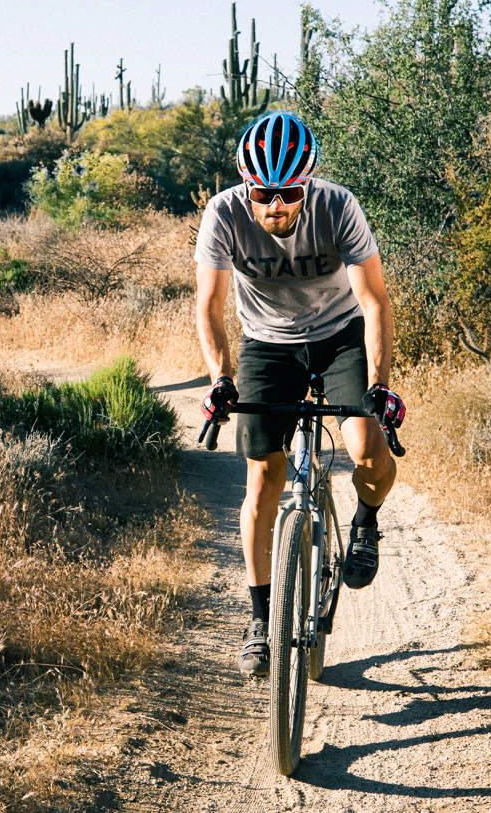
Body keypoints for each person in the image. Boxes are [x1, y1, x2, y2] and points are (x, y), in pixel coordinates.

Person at [193, 110, 405, 677]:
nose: (275, 206)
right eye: (263, 193)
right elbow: (209, 307)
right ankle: (261, 617)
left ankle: (364, 521)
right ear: (246, 186)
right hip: (267, 344)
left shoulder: (339, 207)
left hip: (339, 339)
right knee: (263, 475)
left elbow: (374, 301)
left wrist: (379, 387)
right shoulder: (223, 214)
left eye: (289, 193)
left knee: (367, 450)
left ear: (307, 184)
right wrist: (220, 377)